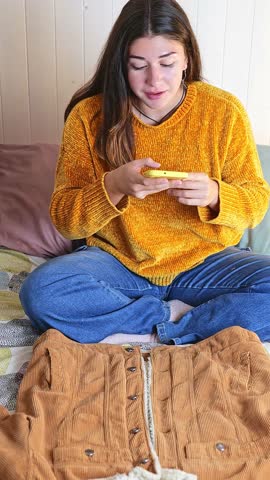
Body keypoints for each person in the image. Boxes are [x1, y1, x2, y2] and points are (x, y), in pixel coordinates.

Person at [20, 0, 270, 345]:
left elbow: (257, 201)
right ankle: (170, 317)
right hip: (118, 265)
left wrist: (216, 195)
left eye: (167, 63)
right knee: (41, 291)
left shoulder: (222, 112)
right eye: (138, 65)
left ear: (187, 59)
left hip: (204, 263)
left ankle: (160, 327)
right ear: (120, 65)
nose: (155, 80)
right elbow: (65, 220)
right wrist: (114, 185)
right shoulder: (88, 117)